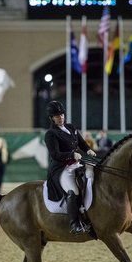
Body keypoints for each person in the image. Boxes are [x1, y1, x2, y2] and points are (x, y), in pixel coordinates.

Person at [45, 100, 96, 235]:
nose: (60, 117)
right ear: (52, 118)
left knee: (93, 174)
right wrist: (71, 154)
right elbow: (55, 154)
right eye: (57, 116)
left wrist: (88, 150)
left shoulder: (71, 127)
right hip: (62, 169)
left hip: (76, 164)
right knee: (73, 190)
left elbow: (81, 142)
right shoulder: (51, 134)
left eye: (61, 114)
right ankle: (75, 224)